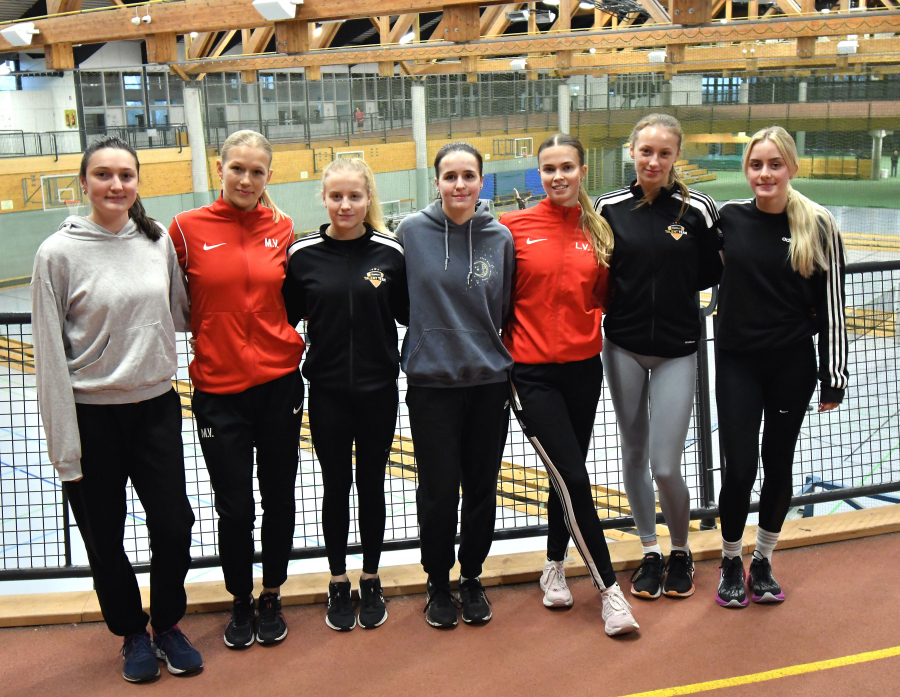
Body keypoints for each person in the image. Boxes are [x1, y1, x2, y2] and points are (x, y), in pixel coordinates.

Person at [31, 136, 202, 683]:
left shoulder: (156, 243)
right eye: (103, 175)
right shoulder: (56, 254)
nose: (115, 185)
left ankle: (168, 625)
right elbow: (50, 357)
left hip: (154, 407)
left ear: (137, 184)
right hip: (91, 414)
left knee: (175, 525)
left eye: (125, 175)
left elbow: (181, 313)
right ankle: (132, 632)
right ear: (84, 183)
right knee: (103, 536)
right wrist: (65, 446)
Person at [169, 130, 305, 648]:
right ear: (219, 168)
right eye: (237, 169)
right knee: (234, 505)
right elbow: (173, 298)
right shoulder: (186, 229)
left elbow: (295, 295)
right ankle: (240, 598)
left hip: (278, 385)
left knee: (279, 497)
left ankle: (271, 592)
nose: (246, 179)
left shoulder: (283, 227)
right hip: (218, 391)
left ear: (269, 176)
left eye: (257, 171)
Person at [501, 133, 639, 637]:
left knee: (569, 474)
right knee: (575, 480)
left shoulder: (598, 231)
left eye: (566, 167)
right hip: (530, 374)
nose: (557, 176)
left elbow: (602, 297)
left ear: (583, 171)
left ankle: (554, 563)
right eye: (548, 168)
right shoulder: (513, 228)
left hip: (583, 369)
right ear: (539, 175)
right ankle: (610, 593)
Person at [715, 126, 848, 607]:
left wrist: (834, 375)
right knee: (740, 467)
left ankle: (764, 559)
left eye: (775, 164)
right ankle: (731, 559)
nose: (765, 173)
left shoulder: (819, 223)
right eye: (756, 165)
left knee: (779, 464)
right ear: (746, 170)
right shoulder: (727, 218)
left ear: (792, 166)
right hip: (736, 363)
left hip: (792, 363)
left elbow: (832, 305)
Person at [594, 113, 722, 601]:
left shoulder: (698, 209)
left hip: (676, 351)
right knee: (633, 450)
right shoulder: (608, 207)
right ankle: (650, 549)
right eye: (645, 151)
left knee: (665, 465)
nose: (653, 160)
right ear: (631, 151)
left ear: (676, 156)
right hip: (622, 346)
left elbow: (710, 271)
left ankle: (681, 549)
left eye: (663, 153)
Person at [282, 158, 408, 631]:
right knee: (336, 487)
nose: (345, 205)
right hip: (328, 393)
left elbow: (409, 314)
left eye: (354, 196)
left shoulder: (391, 253)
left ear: (368, 198)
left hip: (379, 392)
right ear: (323, 198)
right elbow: (285, 321)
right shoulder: (303, 256)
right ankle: (338, 580)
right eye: (336, 196)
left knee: (372, 484)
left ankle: (370, 578)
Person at [396, 141, 515, 629]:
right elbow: (401, 301)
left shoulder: (500, 238)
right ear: (438, 181)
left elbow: (503, 306)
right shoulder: (411, 232)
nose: (459, 185)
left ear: (481, 182)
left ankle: (472, 576)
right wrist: (431, 338)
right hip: (432, 386)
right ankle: (438, 581)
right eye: (450, 176)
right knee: (439, 490)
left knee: (481, 487)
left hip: (488, 382)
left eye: (469, 176)